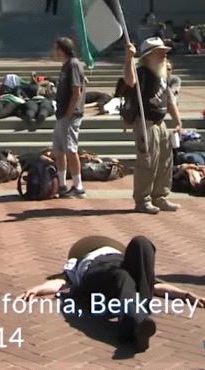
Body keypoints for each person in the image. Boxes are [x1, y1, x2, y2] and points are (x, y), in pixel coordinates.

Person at [18, 235, 205, 352]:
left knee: (142, 242)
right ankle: (136, 318)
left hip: (124, 276)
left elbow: (154, 285)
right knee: (121, 275)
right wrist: (37, 289)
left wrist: (186, 295)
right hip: (96, 275)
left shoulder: (126, 258)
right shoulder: (78, 260)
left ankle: (134, 319)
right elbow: (61, 282)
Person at [123, 38, 183, 213]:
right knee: (147, 161)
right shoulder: (141, 72)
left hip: (160, 122)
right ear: (149, 56)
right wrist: (128, 59)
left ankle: (160, 196)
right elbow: (129, 81)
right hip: (145, 122)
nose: (164, 55)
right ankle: (143, 200)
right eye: (160, 52)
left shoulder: (162, 73)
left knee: (165, 160)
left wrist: (177, 121)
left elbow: (169, 99)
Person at [52, 37, 86, 198]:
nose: (54, 52)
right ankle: (62, 184)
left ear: (62, 49)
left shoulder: (73, 64)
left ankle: (78, 186)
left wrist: (69, 113)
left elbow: (76, 90)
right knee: (59, 150)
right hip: (61, 113)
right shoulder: (65, 66)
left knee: (70, 150)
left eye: (56, 48)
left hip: (69, 115)